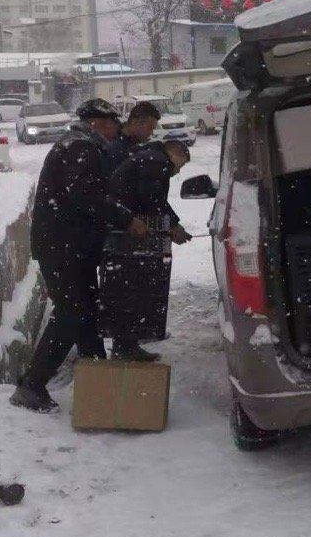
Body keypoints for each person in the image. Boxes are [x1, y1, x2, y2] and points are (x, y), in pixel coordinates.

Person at [10, 98, 148, 413]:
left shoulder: (83, 146)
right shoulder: (80, 149)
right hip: (62, 246)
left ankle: (96, 374)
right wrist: (126, 218)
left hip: (71, 244)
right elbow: (87, 195)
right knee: (72, 311)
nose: (116, 128)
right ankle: (32, 385)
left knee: (85, 308)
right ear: (98, 123)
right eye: (112, 122)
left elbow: (91, 195)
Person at [106, 138, 193, 361]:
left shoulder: (148, 156)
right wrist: (173, 226)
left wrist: (170, 225)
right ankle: (126, 346)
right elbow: (152, 200)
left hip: (121, 226)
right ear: (174, 155)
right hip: (126, 231)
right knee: (134, 289)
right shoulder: (157, 162)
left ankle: (126, 343)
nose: (176, 172)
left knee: (127, 290)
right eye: (180, 165)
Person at [105, 100, 162, 172]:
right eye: (150, 128)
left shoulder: (132, 146)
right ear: (134, 122)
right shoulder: (117, 148)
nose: (151, 133)